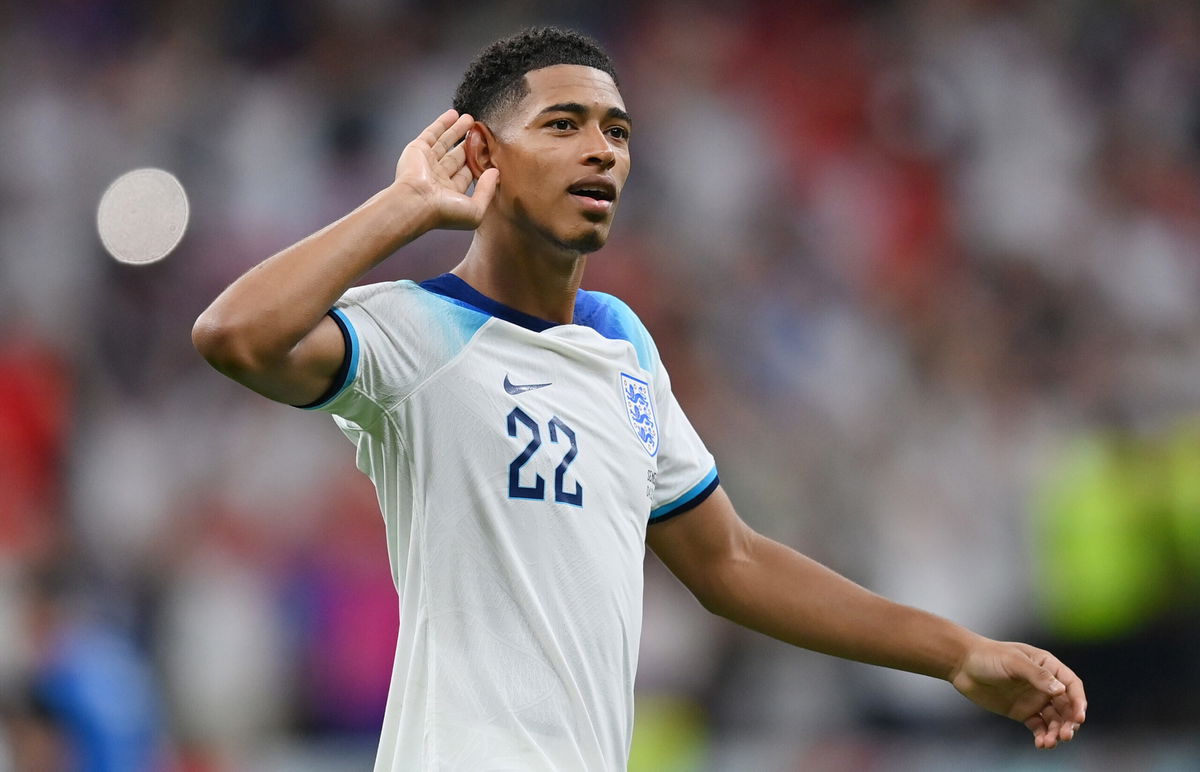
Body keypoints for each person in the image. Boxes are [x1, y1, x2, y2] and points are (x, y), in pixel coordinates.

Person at [193, 26, 1086, 772]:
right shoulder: (413, 332)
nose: (602, 151)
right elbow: (234, 335)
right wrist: (405, 207)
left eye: (617, 131)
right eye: (565, 123)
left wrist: (958, 653)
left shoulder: (620, 343)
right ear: (481, 153)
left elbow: (730, 562)